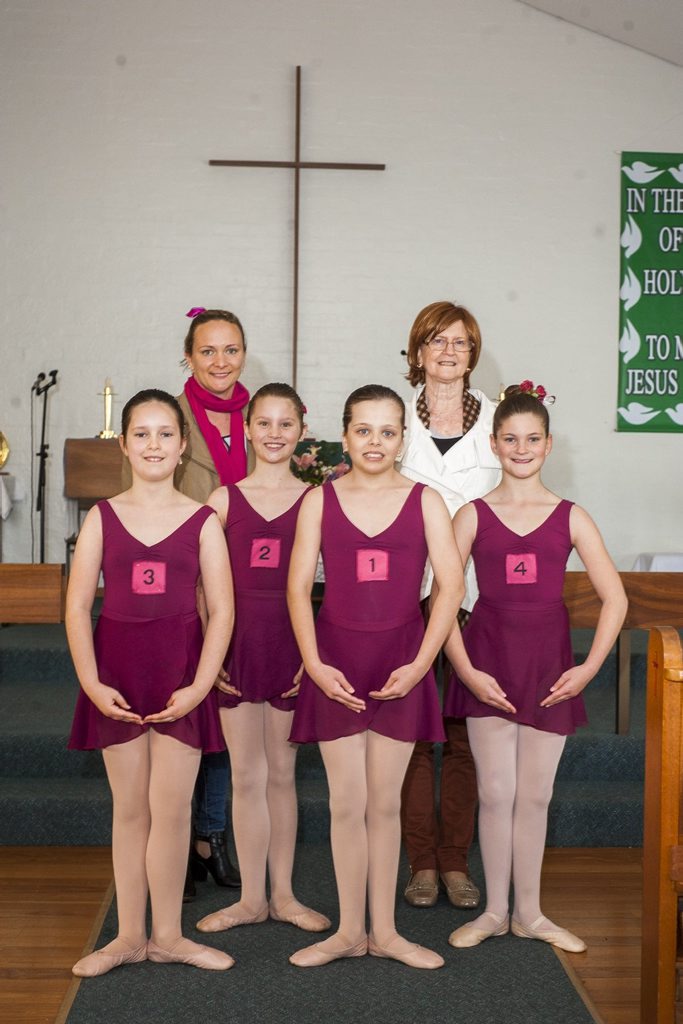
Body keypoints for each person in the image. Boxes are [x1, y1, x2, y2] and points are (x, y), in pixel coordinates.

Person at [444, 384, 627, 953]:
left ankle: (531, 912)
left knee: (536, 796)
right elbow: (442, 600)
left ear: (548, 445)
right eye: (509, 439)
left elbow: (615, 599)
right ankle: (495, 911)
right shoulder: (472, 515)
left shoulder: (570, 517)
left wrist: (588, 669)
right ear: (495, 445)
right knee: (496, 792)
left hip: (549, 667)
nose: (521, 449)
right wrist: (467, 671)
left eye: (532, 439)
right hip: (489, 662)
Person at [287, 385, 464, 970]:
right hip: (336, 660)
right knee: (346, 802)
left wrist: (420, 664)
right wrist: (313, 662)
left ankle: (385, 931)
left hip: (400, 662)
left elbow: (451, 588)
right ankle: (346, 930)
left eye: (388, 432)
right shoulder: (320, 501)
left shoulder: (426, 501)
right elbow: (296, 589)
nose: (375, 441)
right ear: (346, 434)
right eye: (364, 430)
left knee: (384, 803)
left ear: (403, 439)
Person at [67, 389, 235, 975]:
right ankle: (127, 936)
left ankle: (169, 934)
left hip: (179, 679)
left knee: (171, 810)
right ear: (125, 443)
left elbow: (223, 612)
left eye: (166, 434)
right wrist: (90, 681)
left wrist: (199, 686)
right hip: (117, 675)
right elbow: (76, 606)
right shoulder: (102, 517)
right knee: (130, 810)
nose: (154, 445)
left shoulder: (202, 521)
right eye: (142, 434)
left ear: (183, 446)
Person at [196, 383, 330, 936]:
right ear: (247, 429)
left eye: (285, 424)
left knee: (282, 774)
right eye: (264, 423)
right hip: (235, 647)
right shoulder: (223, 501)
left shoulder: (317, 500)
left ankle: (285, 895)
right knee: (245, 775)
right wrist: (211, 646)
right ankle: (250, 898)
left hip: (291, 647)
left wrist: (313, 655)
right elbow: (201, 584)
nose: (274, 434)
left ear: (301, 431)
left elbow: (333, 586)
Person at [121, 308, 248, 893]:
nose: (220, 362)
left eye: (231, 350)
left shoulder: (264, 414)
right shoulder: (169, 420)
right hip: (190, 586)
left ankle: (210, 835)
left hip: (252, 586)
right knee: (194, 710)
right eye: (207, 351)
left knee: (229, 721)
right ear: (188, 357)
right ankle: (180, 839)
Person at [399, 301, 500, 911]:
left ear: (472, 353)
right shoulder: (391, 420)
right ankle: (421, 865)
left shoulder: (497, 420)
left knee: (465, 738)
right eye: (436, 340)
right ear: (417, 351)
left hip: (479, 599)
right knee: (410, 736)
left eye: (460, 342)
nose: (448, 351)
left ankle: (457, 862)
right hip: (407, 597)